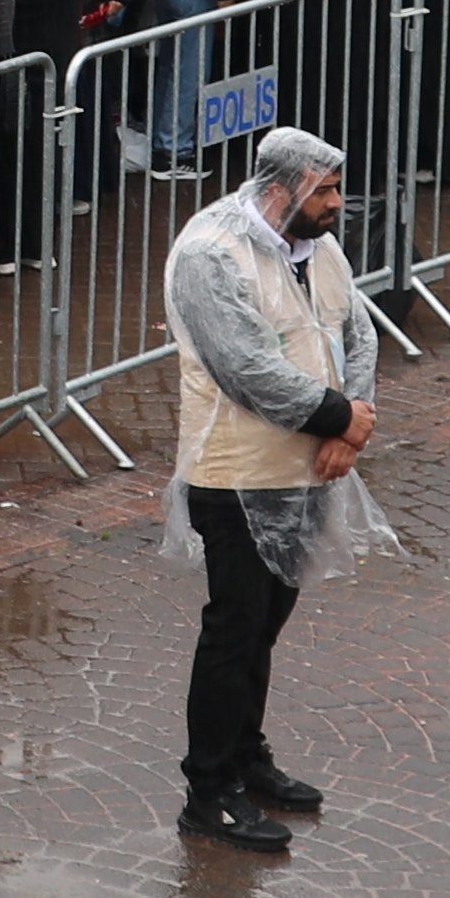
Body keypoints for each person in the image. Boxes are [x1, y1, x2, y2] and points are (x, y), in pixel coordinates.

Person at [156, 129, 381, 857]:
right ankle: (208, 793)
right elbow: (244, 369)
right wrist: (340, 417)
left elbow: (357, 333)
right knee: (235, 629)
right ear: (280, 191)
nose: (337, 204)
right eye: (324, 190)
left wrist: (351, 426)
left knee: (266, 625)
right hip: (237, 475)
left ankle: (245, 756)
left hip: (309, 467)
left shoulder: (316, 245)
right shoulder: (211, 254)